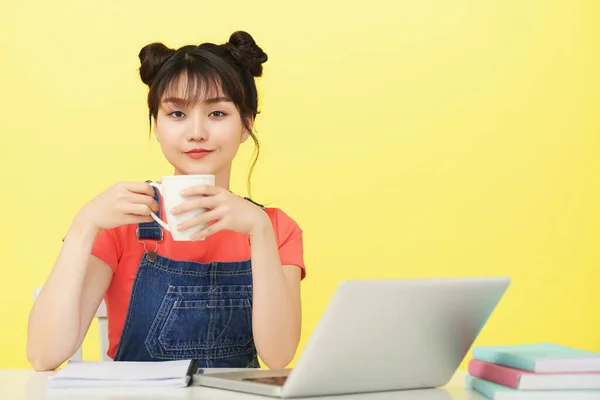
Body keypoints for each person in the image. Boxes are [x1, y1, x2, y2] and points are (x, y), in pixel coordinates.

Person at [26, 31, 305, 371]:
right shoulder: (121, 221)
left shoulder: (276, 228)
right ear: (156, 125)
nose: (196, 132)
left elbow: (278, 357)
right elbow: (43, 355)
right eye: (177, 114)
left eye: (217, 113)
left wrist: (259, 231)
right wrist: (84, 226)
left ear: (246, 125)